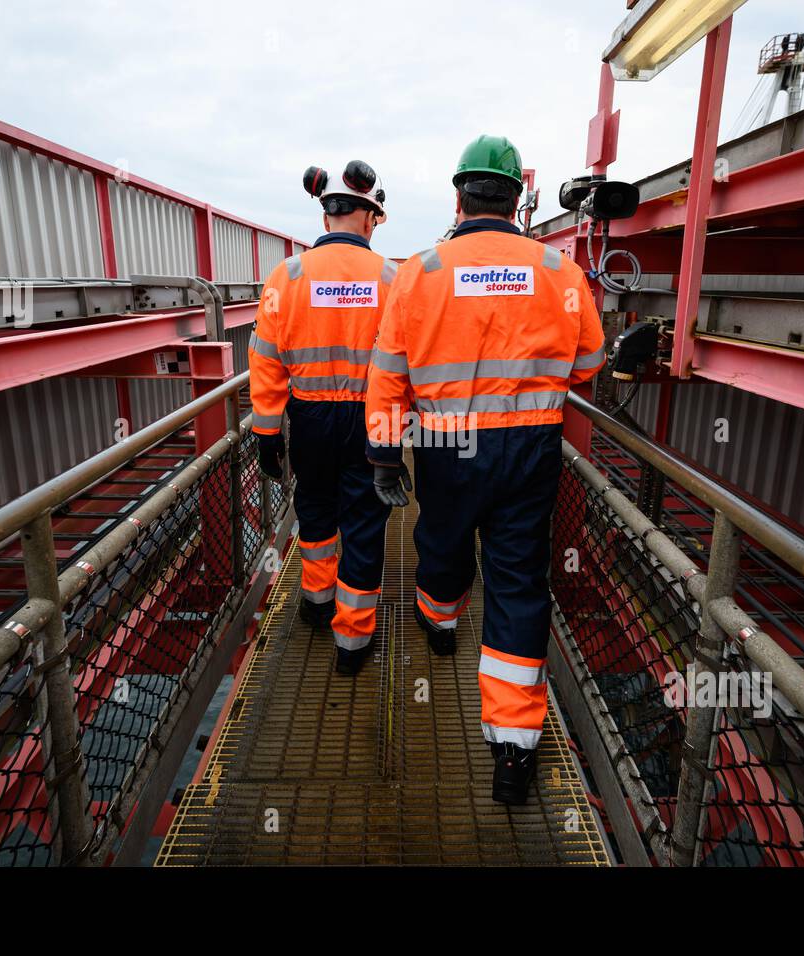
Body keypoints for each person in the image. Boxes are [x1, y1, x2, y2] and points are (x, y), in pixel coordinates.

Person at [364, 135, 605, 804]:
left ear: (458, 195)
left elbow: (388, 379)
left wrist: (385, 455)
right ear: (520, 198)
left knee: (441, 544)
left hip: (448, 445)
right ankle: (512, 747)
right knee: (519, 581)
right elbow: (589, 360)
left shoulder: (421, 272)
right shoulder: (558, 270)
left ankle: (440, 625)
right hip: (531, 447)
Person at [249, 160, 397, 675]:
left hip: (307, 417)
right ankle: (352, 641)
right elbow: (407, 361)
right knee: (364, 520)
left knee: (313, 506)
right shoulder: (390, 278)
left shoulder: (286, 275)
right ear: (369, 216)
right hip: (369, 419)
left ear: (326, 212)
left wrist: (267, 430)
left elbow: (265, 359)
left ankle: (316, 599)